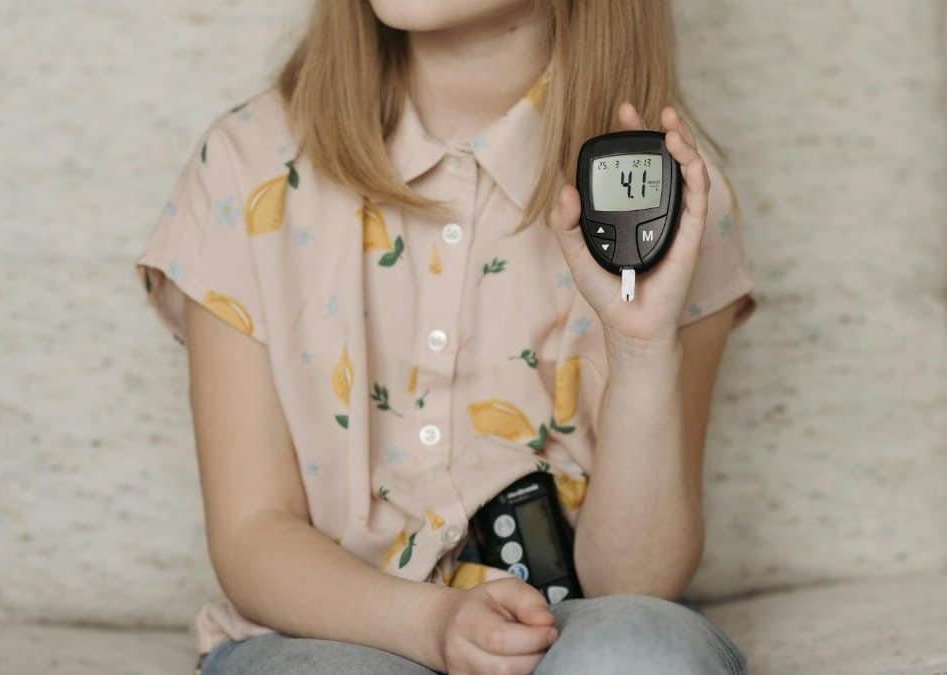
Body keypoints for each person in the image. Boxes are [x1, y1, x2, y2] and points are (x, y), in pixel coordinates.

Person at [134, 1, 757, 673]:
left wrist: (641, 350)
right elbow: (252, 536)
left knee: (638, 654)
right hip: (326, 630)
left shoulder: (672, 198)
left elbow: (635, 579)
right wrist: (429, 623)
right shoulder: (246, 168)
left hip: (572, 624)